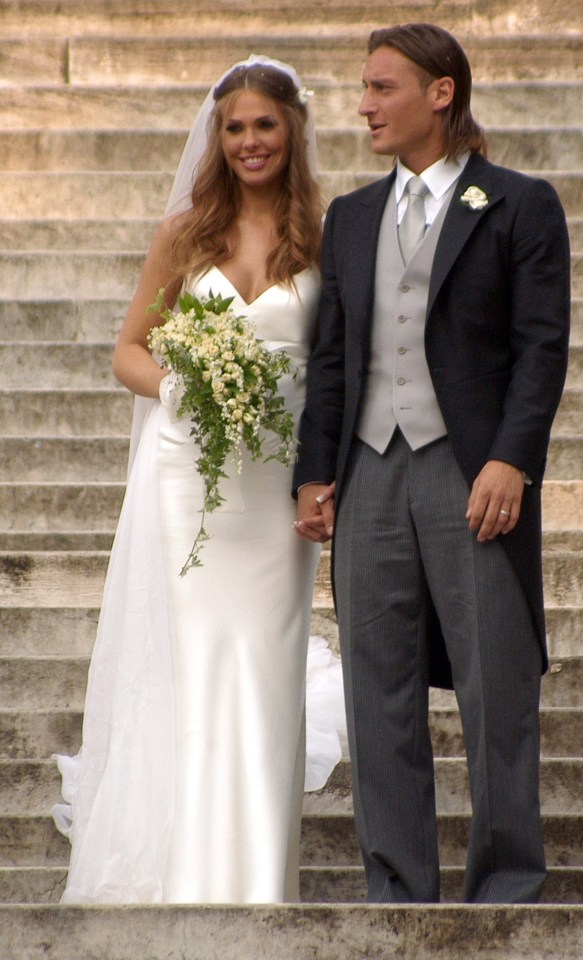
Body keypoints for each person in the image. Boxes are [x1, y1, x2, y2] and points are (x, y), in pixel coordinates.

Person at [52, 55, 346, 904]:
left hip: (278, 483)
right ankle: (186, 872)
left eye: (264, 124)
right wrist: (192, 382)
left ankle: (258, 880)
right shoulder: (188, 233)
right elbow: (128, 352)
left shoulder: (327, 234)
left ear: (292, 129)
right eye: (234, 127)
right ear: (215, 138)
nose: (250, 141)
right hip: (194, 474)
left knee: (265, 668)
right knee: (197, 667)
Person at [294, 23, 571, 904]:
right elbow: (332, 356)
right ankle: (397, 891)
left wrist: (512, 461)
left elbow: (541, 348)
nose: (364, 105)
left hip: (469, 470)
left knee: (496, 687)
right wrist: (314, 472)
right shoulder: (351, 216)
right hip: (371, 469)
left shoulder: (521, 204)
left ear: (440, 92)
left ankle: (506, 889)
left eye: (382, 88)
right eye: (364, 89)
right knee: (378, 692)